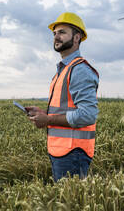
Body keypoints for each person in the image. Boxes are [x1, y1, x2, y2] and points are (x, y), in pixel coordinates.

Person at [26, 12, 99, 182]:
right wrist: (43, 113)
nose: (56, 37)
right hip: (61, 151)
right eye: (54, 33)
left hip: (73, 152)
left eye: (62, 32)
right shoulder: (63, 70)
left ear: (76, 37)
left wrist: (48, 120)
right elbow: (66, 108)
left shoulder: (79, 69)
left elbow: (88, 115)